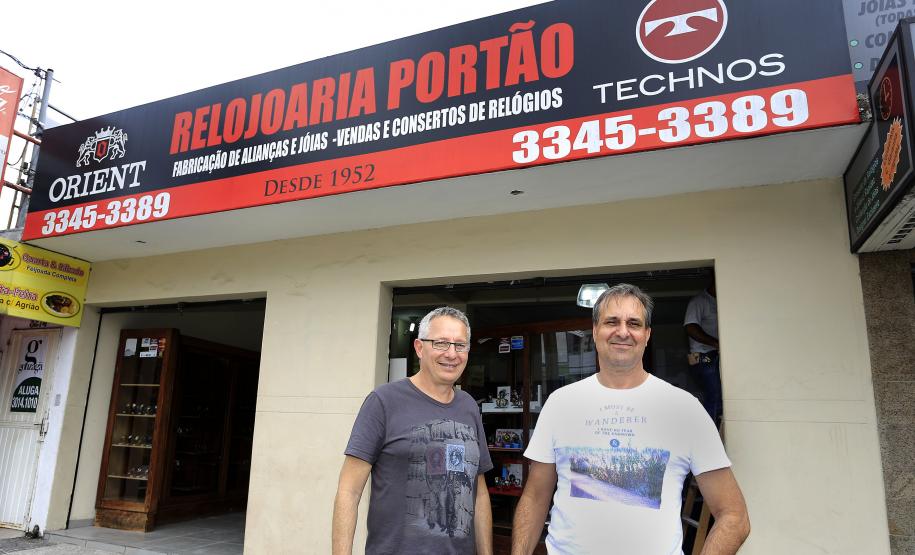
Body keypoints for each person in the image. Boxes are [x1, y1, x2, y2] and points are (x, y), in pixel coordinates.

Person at [512, 284, 749, 555]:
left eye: (634, 323)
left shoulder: (685, 410)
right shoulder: (560, 403)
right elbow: (534, 497)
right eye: (611, 321)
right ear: (595, 331)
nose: (622, 331)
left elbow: (734, 516)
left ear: (647, 335)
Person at [332, 307, 493, 555]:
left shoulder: (469, 407)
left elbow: (479, 492)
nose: (452, 353)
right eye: (441, 343)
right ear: (419, 348)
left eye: (460, 345)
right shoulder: (384, 401)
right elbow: (349, 491)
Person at [684, 283, 721, 424]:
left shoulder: (722, 300)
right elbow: (690, 327)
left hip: (715, 356)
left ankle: (717, 432)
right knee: (715, 396)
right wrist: (716, 343)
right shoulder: (700, 301)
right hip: (704, 357)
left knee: (721, 398)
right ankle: (710, 435)